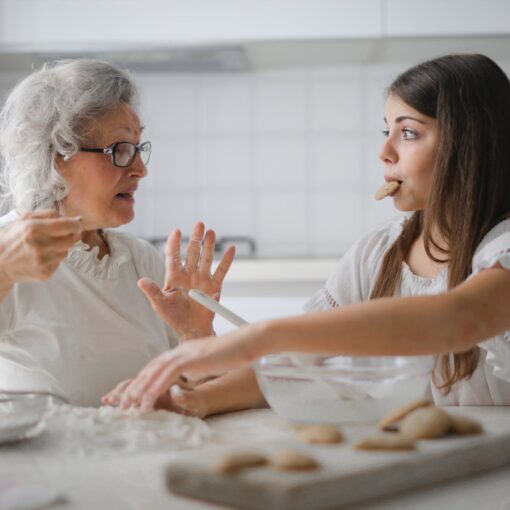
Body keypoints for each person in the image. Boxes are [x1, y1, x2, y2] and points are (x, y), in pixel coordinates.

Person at [104, 53, 510, 413]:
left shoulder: (502, 248)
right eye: (386, 131)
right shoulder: (377, 252)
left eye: (408, 132)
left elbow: (463, 317)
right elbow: (299, 362)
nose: (384, 152)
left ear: (469, 143)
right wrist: (197, 400)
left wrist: (261, 336)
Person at [0, 59, 234, 406]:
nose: (140, 170)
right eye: (120, 150)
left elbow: (193, 395)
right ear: (54, 156)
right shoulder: (9, 252)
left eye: (139, 149)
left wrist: (196, 335)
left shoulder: (140, 261)